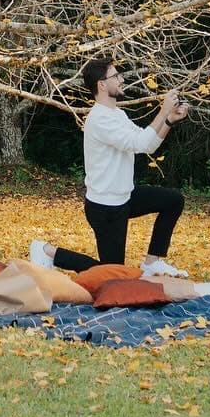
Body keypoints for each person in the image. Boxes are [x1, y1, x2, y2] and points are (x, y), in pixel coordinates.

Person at [31, 56, 191, 278]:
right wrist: (163, 112)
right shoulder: (99, 120)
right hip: (105, 208)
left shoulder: (118, 115)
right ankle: (48, 252)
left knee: (173, 200)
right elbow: (140, 143)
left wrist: (169, 121)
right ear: (102, 85)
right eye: (116, 76)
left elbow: (148, 145)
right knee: (114, 276)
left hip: (125, 197)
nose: (122, 79)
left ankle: (152, 263)